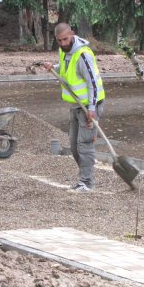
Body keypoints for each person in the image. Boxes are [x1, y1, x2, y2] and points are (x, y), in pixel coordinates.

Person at [43, 23, 105, 193]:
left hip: (88, 106)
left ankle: (87, 182)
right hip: (75, 105)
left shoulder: (83, 55)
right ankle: (84, 177)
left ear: (72, 34)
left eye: (65, 39)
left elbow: (93, 83)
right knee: (74, 144)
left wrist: (92, 107)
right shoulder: (64, 51)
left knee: (84, 144)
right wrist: (53, 68)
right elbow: (66, 70)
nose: (63, 43)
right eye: (59, 41)